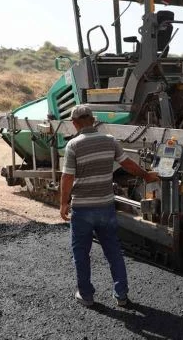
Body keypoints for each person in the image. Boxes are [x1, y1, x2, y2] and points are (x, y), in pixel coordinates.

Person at [60, 105, 159, 307]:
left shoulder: (73, 145)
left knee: (81, 253)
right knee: (113, 251)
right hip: (106, 206)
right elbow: (128, 164)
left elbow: (67, 177)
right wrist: (146, 175)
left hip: (82, 210)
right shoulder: (110, 141)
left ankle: (86, 296)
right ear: (94, 120)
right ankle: (121, 295)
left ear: (75, 123)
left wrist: (63, 203)